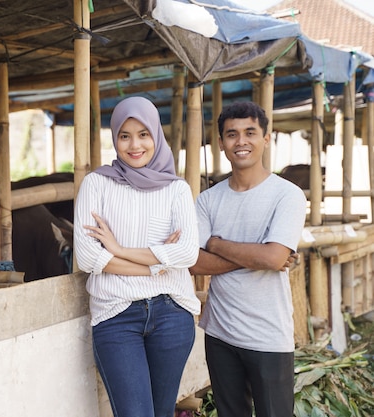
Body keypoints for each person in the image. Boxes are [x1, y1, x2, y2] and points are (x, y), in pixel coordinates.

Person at [74, 96, 201, 417]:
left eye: (144, 134)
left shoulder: (176, 189)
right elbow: (88, 259)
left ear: (156, 136)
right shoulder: (96, 184)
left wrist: (117, 250)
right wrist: (157, 264)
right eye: (124, 135)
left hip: (173, 313)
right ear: (114, 137)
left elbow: (186, 253)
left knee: (161, 412)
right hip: (116, 315)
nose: (135, 145)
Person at [190, 101, 307, 417]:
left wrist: (216, 243)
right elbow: (194, 263)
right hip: (220, 334)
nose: (241, 141)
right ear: (221, 143)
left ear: (266, 138)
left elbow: (273, 257)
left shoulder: (287, 195)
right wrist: (258, 255)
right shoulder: (208, 200)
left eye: (250, 133)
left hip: (268, 336)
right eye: (232, 134)